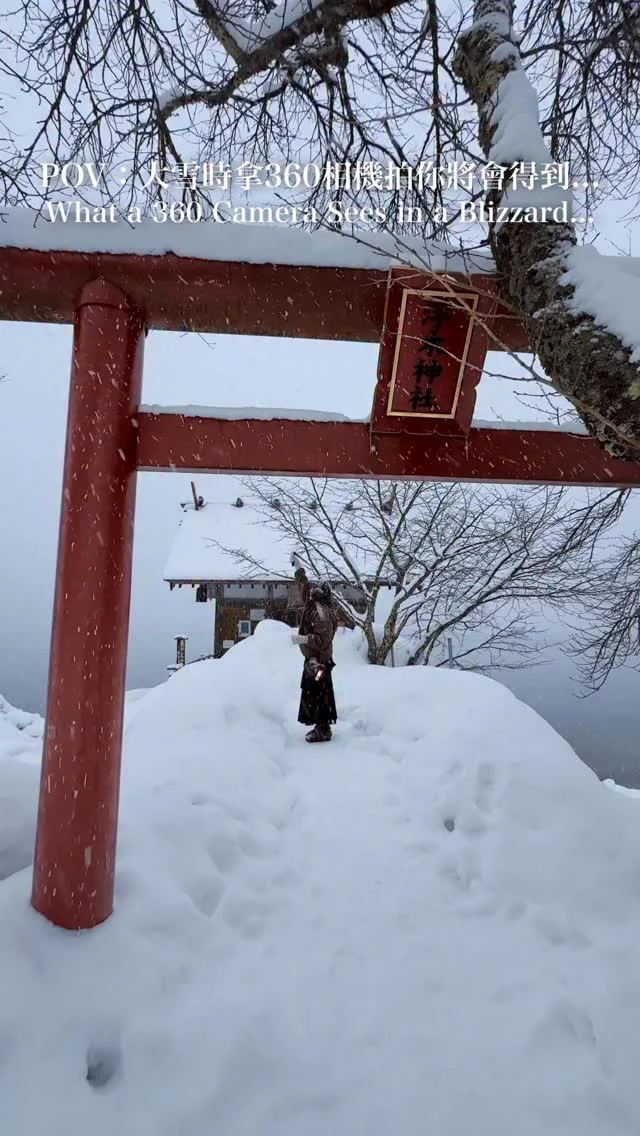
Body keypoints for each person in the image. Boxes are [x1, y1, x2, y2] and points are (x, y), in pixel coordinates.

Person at [291, 555, 339, 743]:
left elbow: (322, 640)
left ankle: (323, 729)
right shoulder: (314, 604)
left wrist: (303, 638)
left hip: (319, 660)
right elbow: (304, 587)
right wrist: (298, 569)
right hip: (313, 660)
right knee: (313, 692)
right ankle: (320, 726)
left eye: (314, 591)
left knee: (319, 695)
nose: (310, 593)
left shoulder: (322, 613)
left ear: (320, 595)